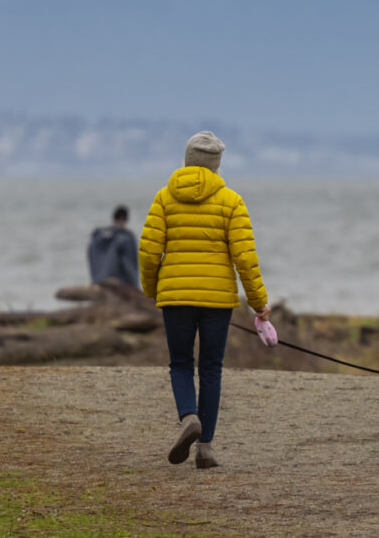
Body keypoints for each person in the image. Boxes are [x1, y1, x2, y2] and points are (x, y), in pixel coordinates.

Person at [138, 130, 272, 469]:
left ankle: (188, 417)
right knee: (211, 368)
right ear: (217, 165)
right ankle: (206, 448)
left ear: (186, 160)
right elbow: (245, 259)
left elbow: (150, 253)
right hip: (216, 300)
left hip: (176, 297)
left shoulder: (164, 199)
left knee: (181, 364)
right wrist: (259, 305)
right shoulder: (232, 201)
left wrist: (153, 289)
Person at [88, 205, 140, 288]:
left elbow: (91, 258)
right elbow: (128, 265)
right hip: (118, 285)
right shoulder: (126, 238)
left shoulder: (97, 237)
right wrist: (135, 285)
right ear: (124, 219)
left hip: (97, 282)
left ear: (113, 218)